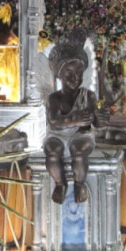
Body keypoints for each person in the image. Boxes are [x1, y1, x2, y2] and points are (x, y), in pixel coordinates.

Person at [44, 36, 99, 204]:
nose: (75, 77)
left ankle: (79, 183)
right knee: (52, 151)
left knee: (79, 149)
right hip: (57, 134)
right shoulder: (54, 98)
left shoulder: (88, 95)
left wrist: (98, 118)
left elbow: (94, 120)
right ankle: (60, 183)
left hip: (80, 135)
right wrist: (73, 120)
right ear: (59, 75)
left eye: (79, 73)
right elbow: (53, 121)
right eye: (69, 73)